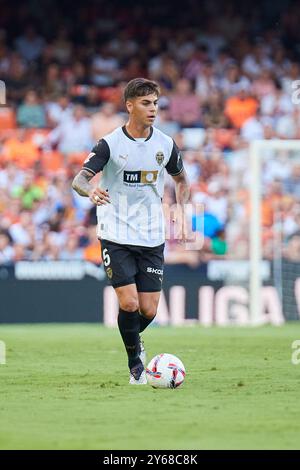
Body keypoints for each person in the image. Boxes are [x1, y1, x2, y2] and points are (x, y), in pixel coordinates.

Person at [72, 78, 190, 384]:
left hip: (151, 235)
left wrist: (181, 207)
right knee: (129, 303)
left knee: (149, 310)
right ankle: (135, 365)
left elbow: (181, 180)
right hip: (116, 233)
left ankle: (134, 341)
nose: (152, 109)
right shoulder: (110, 144)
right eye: (145, 103)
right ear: (130, 106)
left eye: (155, 104)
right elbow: (79, 180)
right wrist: (92, 192)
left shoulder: (165, 144)